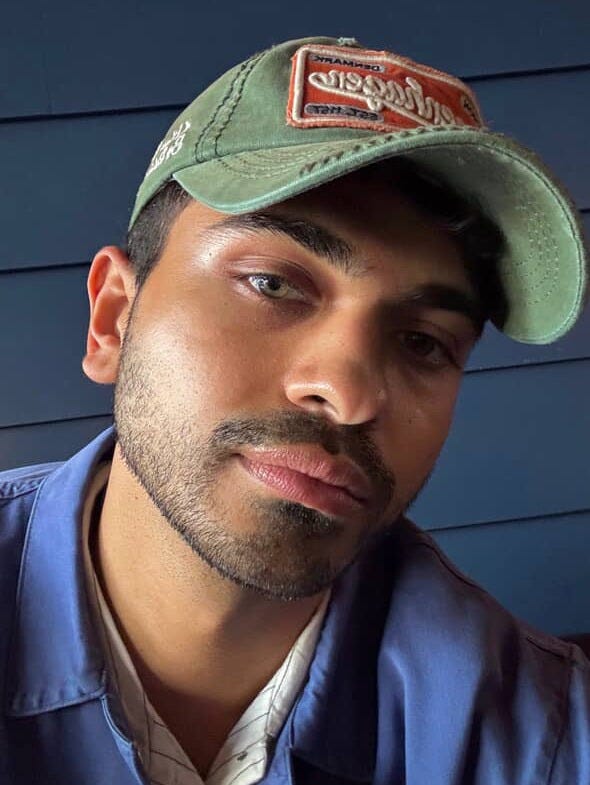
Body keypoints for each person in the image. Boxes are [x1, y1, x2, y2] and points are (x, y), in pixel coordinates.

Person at [0, 35, 588, 785]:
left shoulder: (540, 736)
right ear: (113, 320)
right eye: (272, 284)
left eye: (422, 342)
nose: (348, 393)